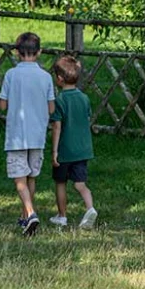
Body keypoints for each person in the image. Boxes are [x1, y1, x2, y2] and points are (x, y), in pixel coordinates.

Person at [0, 32, 55, 236]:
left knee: (19, 179)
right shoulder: (46, 77)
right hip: (37, 134)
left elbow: (3, 105)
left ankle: (31, 213)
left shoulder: (11, 75)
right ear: (39, 52)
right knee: (31, 177)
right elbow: (51, 108)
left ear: (17, 52)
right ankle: (25, 218)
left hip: (16, 135)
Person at [49, 55, 97, 229]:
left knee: (60, 182)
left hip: (65, 150)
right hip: (83, 149)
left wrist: (54, 152)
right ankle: (90, 208)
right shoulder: (84, 98)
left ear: (60, 79)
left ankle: (62, 216)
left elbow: (57, 127)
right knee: (80, 184)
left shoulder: (60, 101)